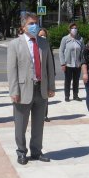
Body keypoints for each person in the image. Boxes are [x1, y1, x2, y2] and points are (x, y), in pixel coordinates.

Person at [7, 13, 55, 165]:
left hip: (41, 89)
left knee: (38, 124)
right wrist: (14, 91)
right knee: (20, 124)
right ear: (23, 27)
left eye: (36, 23)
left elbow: (49, 67)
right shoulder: (15, 44)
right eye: (31, 23)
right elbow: (12, 70)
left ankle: (36, 151)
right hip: (23, 91)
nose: (35, 25)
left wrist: (51, 87)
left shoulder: (44, 43)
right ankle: (21, 152)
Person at [59, 23, 83, 102]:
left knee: (76, 81)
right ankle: (67, 96)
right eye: (72, 28)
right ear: (69, 29)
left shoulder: (80, 39)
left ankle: (75, 95)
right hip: (68, 64)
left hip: (77, 64)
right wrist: (63, 63)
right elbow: (61, 51)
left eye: (75, 28)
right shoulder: (65, 39)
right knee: (67, 81)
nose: (74, 29)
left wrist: (82, 62)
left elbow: (83, 51)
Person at [38, 28, 54, 122]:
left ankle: (45, 115)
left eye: (44, 35)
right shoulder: (36, 46)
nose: (43, 37)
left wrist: (52, 73)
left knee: (45, 96)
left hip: (46, 75)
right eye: (41, 36)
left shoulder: (47, 45)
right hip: (37, 76)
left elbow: (50, 61)